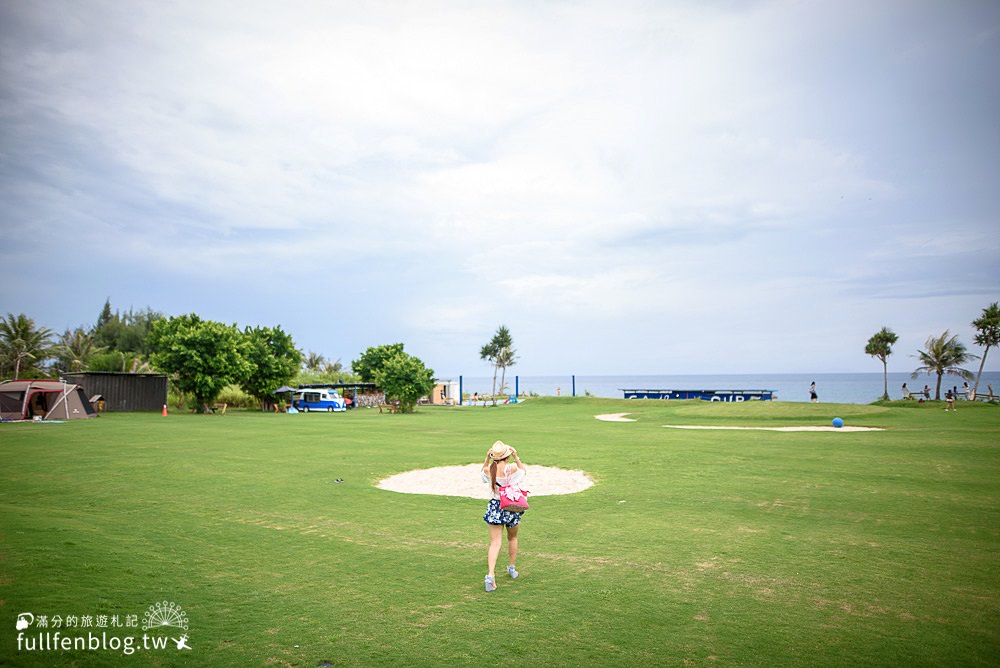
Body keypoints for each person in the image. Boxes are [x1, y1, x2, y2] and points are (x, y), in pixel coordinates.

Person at [480, 440, 526, 592]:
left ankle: (490, 575)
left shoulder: (490, 470)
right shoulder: (511, 468)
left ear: (494, 456)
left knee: (495, 543)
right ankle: (512, 568)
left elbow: (482, 473)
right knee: (512, 538)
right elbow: (523, 472)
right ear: (507, 456)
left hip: (495, 507)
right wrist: (516, 456)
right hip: (511, 506)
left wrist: (487, 458)